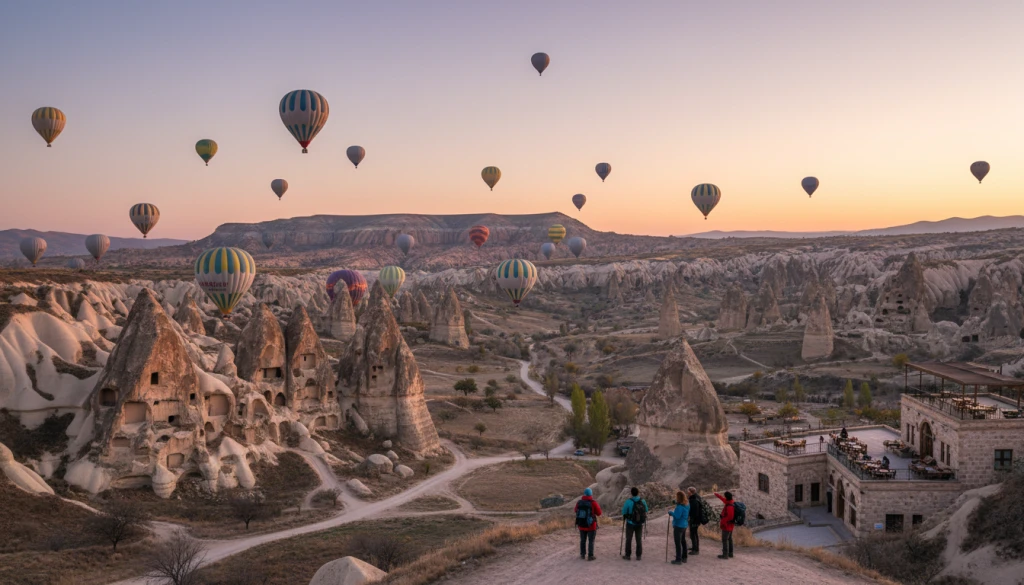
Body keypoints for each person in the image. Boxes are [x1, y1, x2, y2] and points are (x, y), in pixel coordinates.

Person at [621, 486, 648, 560]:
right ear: (638, 492)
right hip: (639, 523)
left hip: (630, 523)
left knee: (629, 539)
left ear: (631, 493)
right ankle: (638, 555)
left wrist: (626, 515)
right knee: (638, 539)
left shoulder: (628, 501)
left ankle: (628, 555)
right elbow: (646, 509)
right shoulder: (643, 501)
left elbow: (623, 512)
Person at [575, 488, 602, 561]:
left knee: (582, 540)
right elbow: (599, 513)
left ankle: (582, 554)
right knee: (591, 540)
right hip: (591, 525)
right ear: (591, 494)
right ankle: (590, 556)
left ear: (584, 494)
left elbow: (575, 510)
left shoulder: (579, 502)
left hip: (581, 525)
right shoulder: (593, 502)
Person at [667, 491, 690, 564]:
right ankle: (684, 557)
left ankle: (678, 559)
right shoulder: (687, 504)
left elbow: (677, 516)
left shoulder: (679, 507)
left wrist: (671, 513)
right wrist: (676, 503)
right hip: (684, 525)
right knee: (683, 541)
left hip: (678, 526)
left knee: (677, 543)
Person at [714, 491, 736, 559]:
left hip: (727, 525)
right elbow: (722, 499)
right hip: (730, 525)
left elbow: (730, 517)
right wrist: (717, 494)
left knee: (725, 540)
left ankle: (725, 554)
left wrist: (723, 521)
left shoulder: (729, 506)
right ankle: (730, 553)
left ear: (727, 497)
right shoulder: (730, 502)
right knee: (729, 539)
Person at [687, 487, 703, 554]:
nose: (687, 492)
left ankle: (695, 550)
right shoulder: (697, 497)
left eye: (688, 491)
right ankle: (695, 547)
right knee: (694, 534)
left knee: (693, 534)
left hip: (694, 519)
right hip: (697, 519)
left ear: (690, 492)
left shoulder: (694, 500)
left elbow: (694, 511)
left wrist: (691, 519)